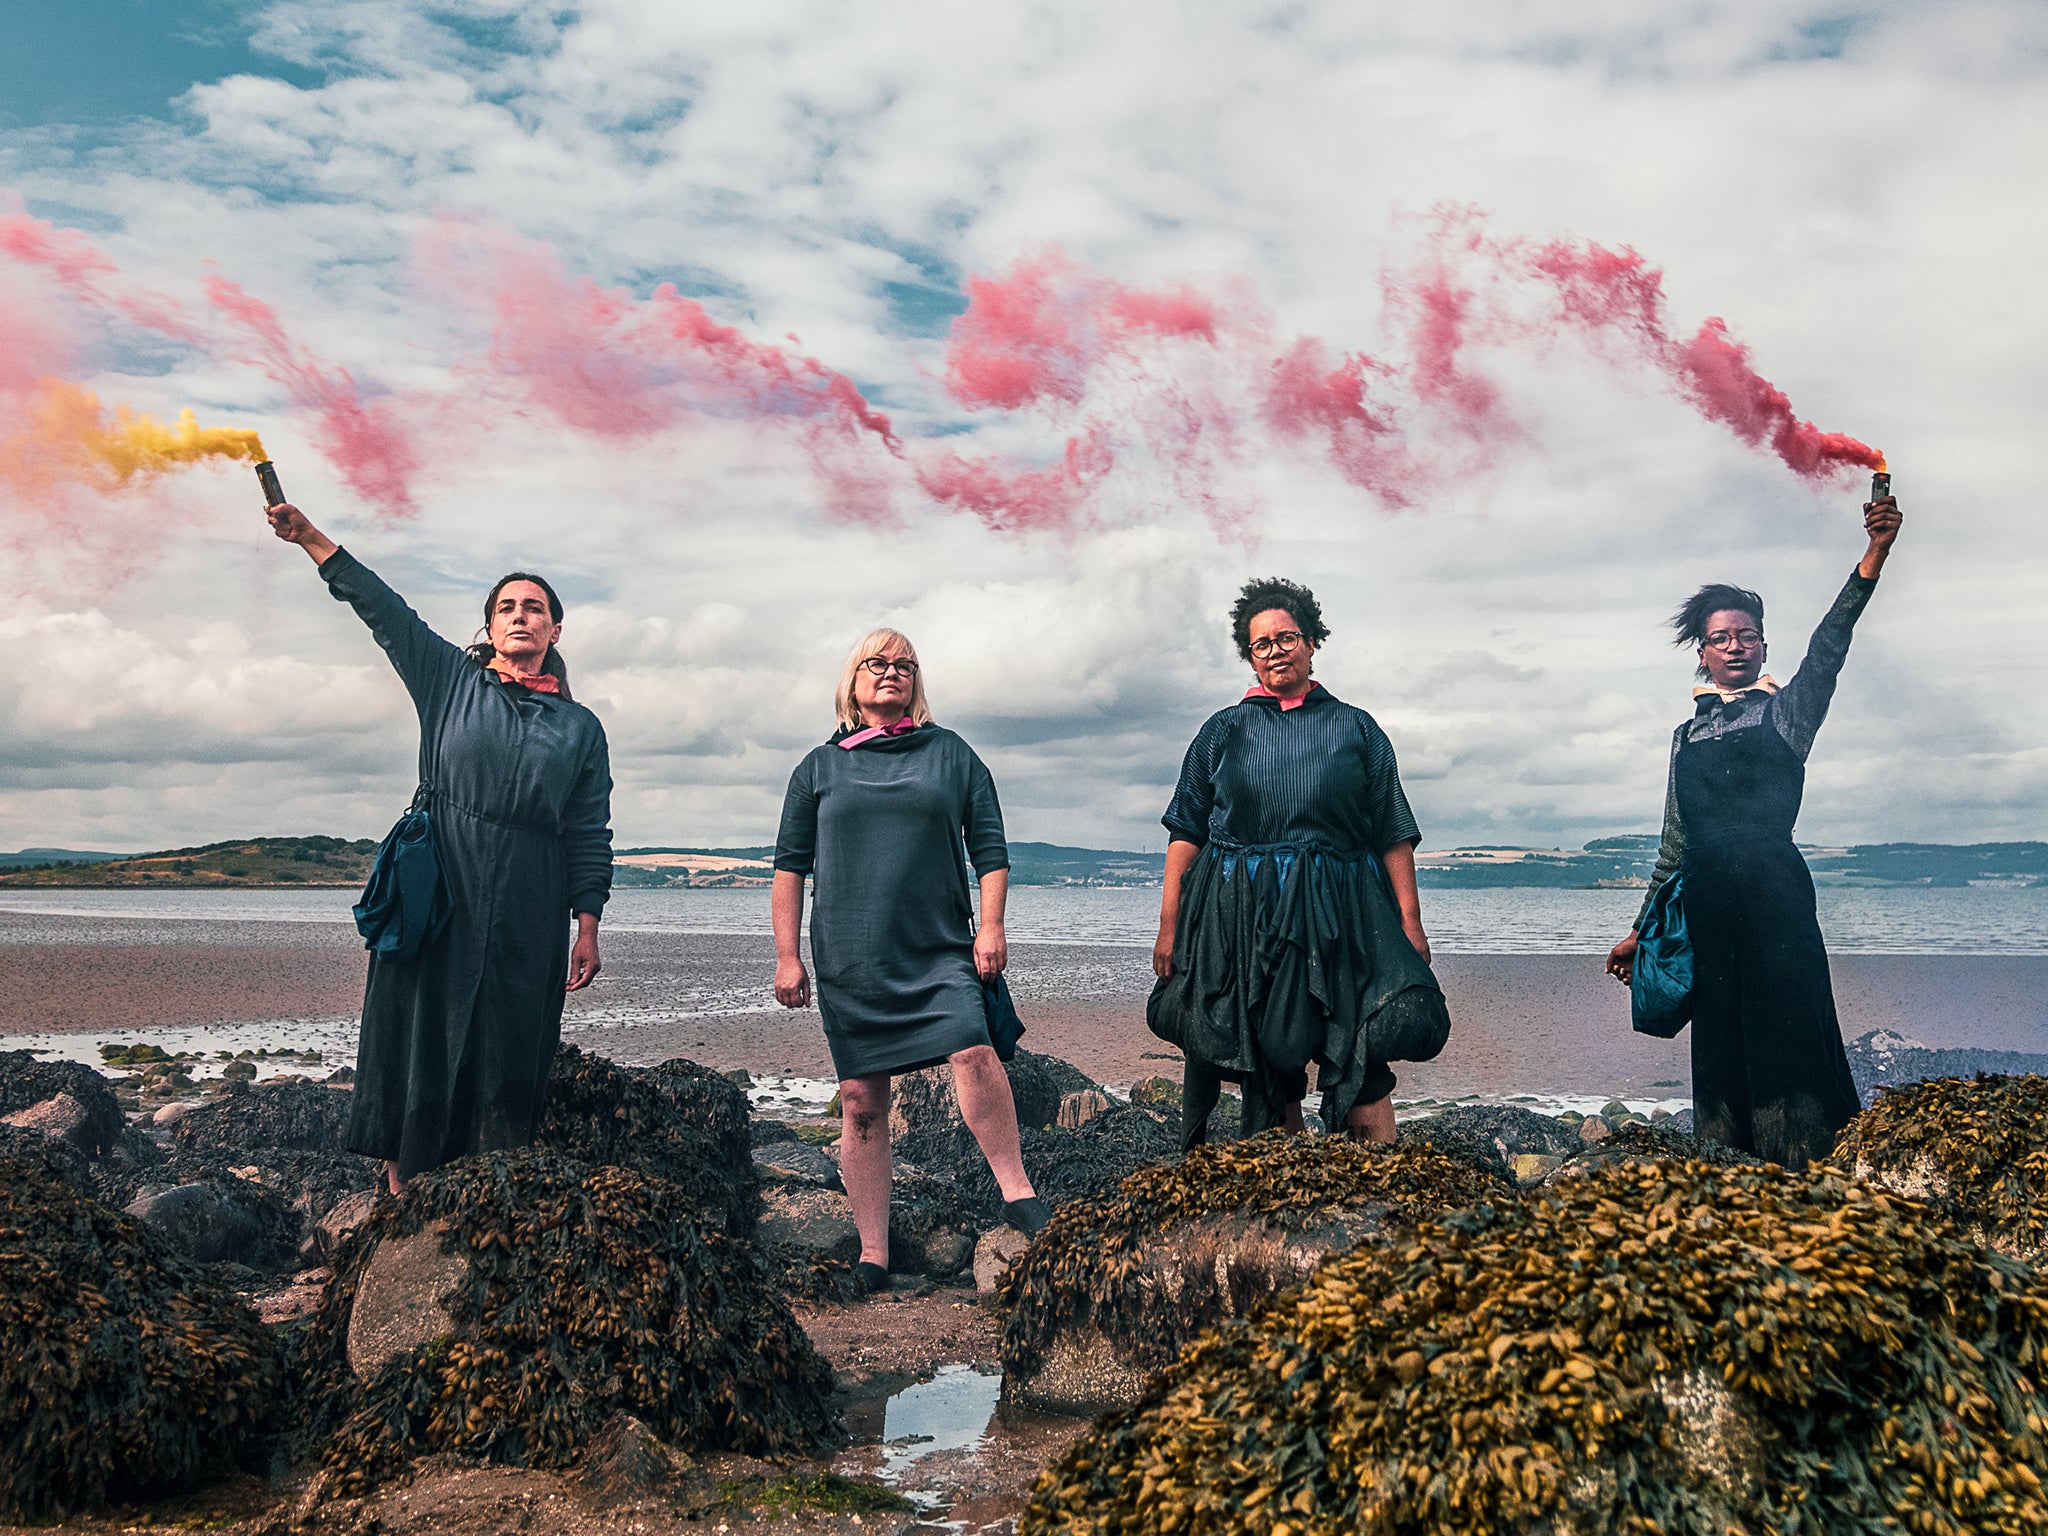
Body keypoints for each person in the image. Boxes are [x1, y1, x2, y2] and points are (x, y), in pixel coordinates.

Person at [265, 500, 613, 1192]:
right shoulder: (451, 681)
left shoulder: (580, 728)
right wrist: (310, 539)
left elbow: (589, 829)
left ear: (555, 627)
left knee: (510, 1034)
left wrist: (587, 924)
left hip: (529, 894)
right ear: (489, 626)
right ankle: (402, 1193)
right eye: (507, 606)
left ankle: (487, 1180)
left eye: (535, 607)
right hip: (440, 884)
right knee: (416, 1024)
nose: (521, 614)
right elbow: (384, 610)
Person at [1606, 491, 1905, 1167]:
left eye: (1745, 634)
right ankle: (1729, 1171)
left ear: (1763, 645)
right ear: (1702, 654)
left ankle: (1809, 1167)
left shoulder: (1788, 716)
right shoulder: (1684, 737)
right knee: (1721, 1045)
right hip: (1710, 911)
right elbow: (1672, 849)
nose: (1734, 645)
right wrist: (1639, 930)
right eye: (1720, 637)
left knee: (1792, 1039)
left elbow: (1830, 647)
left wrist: (1874, 555)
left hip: (1777, 904)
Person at [771, 629, 1049, 1294]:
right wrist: (786, 957)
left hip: (939, 949)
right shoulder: (819, 766)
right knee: (863, 1102)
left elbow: (990, 850)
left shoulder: (951, 754)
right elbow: (788, 867)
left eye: (904, 665)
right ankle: (874, 1253)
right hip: (850, 956)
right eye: (877, 662)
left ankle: (1017, 1193)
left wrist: (993, 928)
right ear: (853, 680)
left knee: (973, 1052)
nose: (890, 672)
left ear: (916, 683)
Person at [1149, 577, 1448, 1148]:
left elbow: (1393, 831)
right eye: (1261, 643)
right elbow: (1185, 831)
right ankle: (1281, 1191)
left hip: (1344, 915)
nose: (1275, 650)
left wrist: (1410, 923)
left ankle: (1379, 1187)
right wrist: (1169, 926)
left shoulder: (1357, 728)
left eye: (1287, 637)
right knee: (1267, 1061)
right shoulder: (1222, 730)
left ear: (1311, 643)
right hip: (1242, 919)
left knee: (1358, 1041)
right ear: (1250, 657)